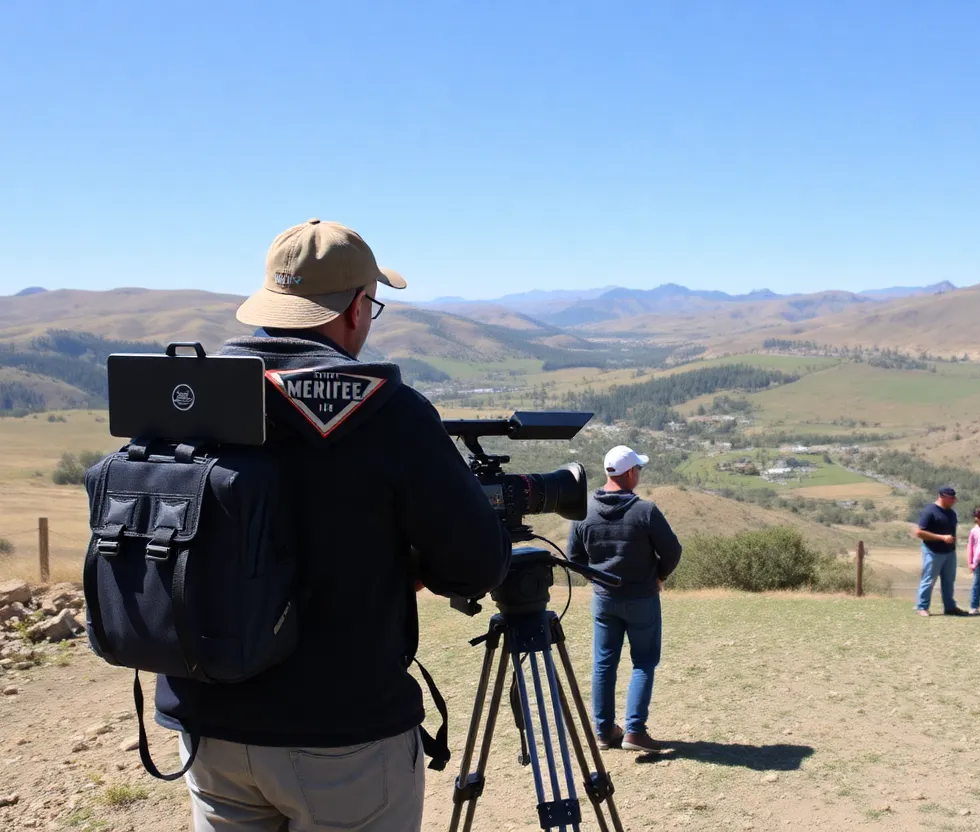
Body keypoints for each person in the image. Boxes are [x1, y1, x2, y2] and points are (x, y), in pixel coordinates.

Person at [159, 218, 512, 831]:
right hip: (343, 733)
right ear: (356, 308)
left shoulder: (189, 394)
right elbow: (477, 564)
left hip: (208, 724)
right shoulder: (388, 411)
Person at [567, 445, 682, 753]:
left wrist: (598, 579)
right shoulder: (646, 511)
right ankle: (635, 731)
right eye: (638, 469)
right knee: (643, 662)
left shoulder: (584, 511)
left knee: (604, 664)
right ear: (630, 472)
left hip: (604, 601)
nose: (639, 474)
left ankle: (604, 732)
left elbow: (574, 558)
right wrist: (660, 575)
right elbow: (673, 551)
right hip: (642, 598)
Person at [914, 487, 968, 616]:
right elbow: (919, 532)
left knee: (949, 581)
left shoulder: (952, 513)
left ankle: (950, 607)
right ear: (942, 497)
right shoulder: (929, 511)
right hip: (932, 551)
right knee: (929, 580)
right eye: (951, 498)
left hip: (950, 552)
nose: (954, 500)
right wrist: (942, 538)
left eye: (954, 498)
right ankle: (922, 607)